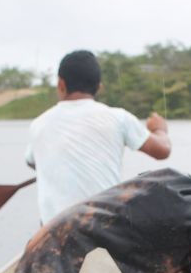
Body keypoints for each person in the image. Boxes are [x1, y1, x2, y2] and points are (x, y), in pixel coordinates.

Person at [25, 50, 172, 222]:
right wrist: (160, 129)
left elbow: (31, 161)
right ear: (99, 87)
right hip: (103, 229)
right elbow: (163, 150)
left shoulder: (38, 124)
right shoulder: (118, 118)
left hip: (53, 236)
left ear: (61, 84)